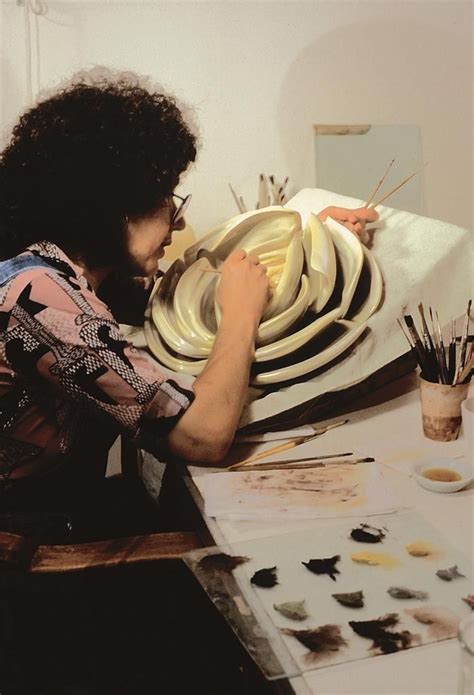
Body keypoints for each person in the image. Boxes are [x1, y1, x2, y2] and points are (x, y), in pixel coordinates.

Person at [0, 69, 378, 695]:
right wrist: (242, 316)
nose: (177, 220)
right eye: (166, 198)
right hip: (29, 545)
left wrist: (313, 232)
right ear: (110, 204)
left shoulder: (55, 269)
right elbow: (203, 437)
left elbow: (180, 278)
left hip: (62, 506)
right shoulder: (39, 298)